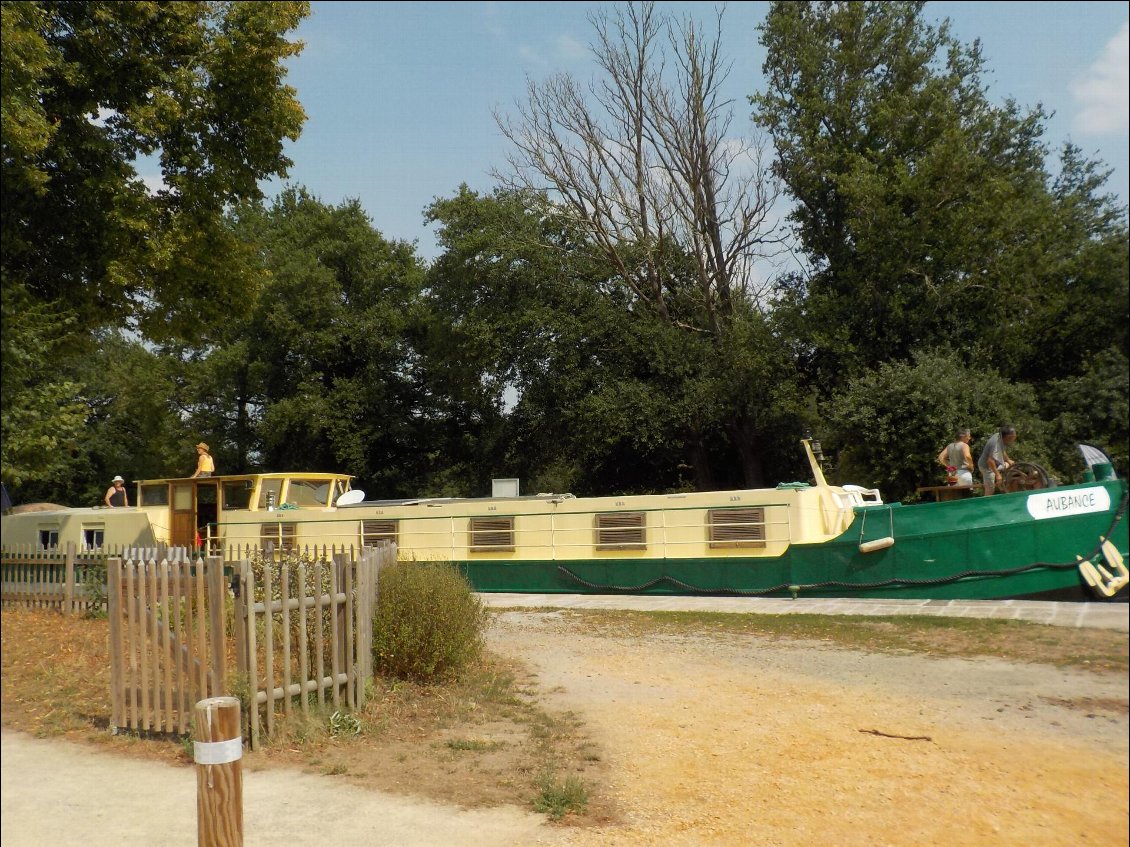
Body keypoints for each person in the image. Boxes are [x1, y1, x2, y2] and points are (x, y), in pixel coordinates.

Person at [978, 425, 1017, 495]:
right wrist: (998, 475)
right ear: (1008, 436)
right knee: (990, 489)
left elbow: (1002, 450)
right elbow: (990, 461)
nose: (1015, 437)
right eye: (1014, 436)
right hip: (987, 467)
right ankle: (986, 503)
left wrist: (1008, 460)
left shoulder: (1000, 437)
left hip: (995, 464)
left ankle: (1003, 484)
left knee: (1010, 465)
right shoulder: (995, 443)